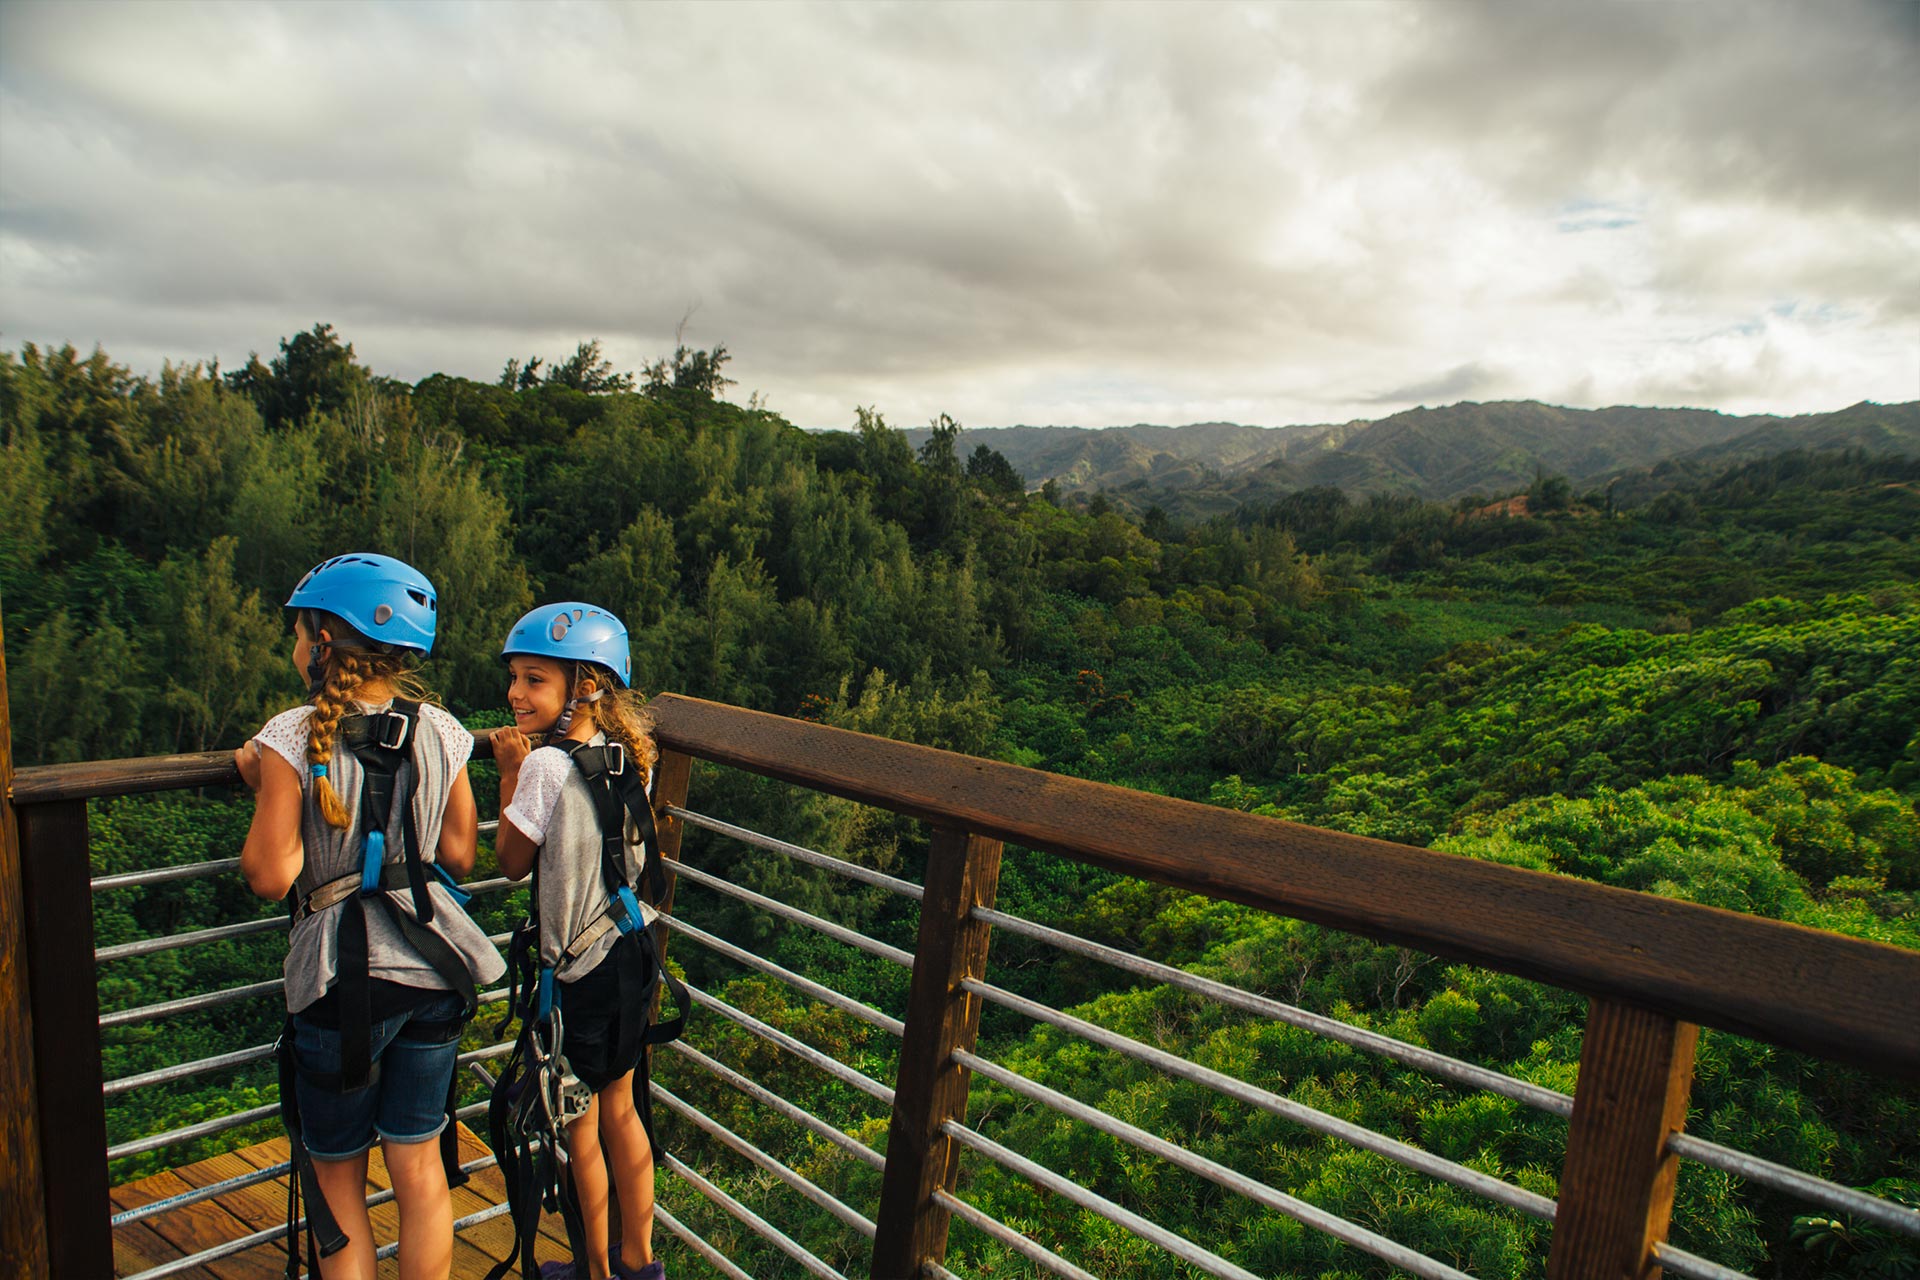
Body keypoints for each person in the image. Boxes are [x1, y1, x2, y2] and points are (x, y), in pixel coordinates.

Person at [236, 552, 507, 1280]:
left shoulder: (292, 735)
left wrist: (265, 779)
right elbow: (458, 852)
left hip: (340, 986)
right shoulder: (445, 731)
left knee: (337, 1177)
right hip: (433, 969)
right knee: (419, 1166)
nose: (294, 643)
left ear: (324, 641)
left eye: (299, 630)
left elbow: (271, 875)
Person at [491, 602, 676, 1280]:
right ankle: (641, 1262)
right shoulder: (632, 757)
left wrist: (512, 773)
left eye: (534, 680)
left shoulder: (544, 769)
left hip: (578, 974)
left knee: (580, 1125)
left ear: (587, 687)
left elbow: (512, 861)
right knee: (624, 1111)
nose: (515, 694)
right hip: (633, 951)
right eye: (515, 678)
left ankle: (595, 1271)